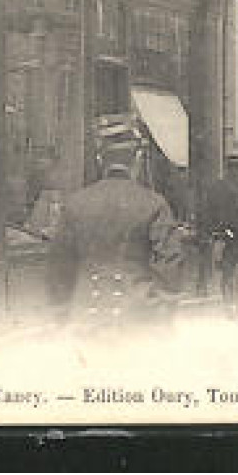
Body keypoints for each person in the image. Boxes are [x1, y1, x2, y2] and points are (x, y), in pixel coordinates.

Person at [45, 125, 183, 333]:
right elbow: (170, 264)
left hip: (85, 316)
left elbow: (59, 264)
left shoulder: (75, 204)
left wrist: (61, 314)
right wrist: (164, 315)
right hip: (138, 316)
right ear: (136, 160)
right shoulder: (154, 204)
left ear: (100, 160)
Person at [202, 155, 238, 319]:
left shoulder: (216, 188)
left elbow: (208, 213)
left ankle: (230, 306)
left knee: (228, 272)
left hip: (226, 236)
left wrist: (214, 231)